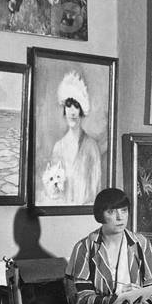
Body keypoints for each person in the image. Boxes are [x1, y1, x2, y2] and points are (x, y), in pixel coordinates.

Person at [48, 71, 104, 205]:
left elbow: (96, 189)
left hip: (86, 213)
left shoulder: (92, 147)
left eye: (76, 106)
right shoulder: (58, 147)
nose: (72, 112)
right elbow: (54, 189)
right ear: (64, 109)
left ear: (81, 110)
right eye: (69, 106)